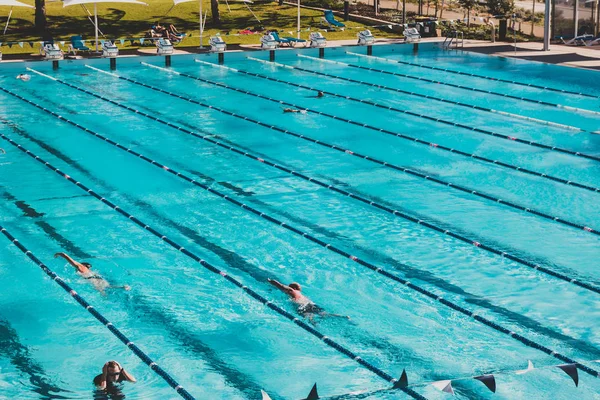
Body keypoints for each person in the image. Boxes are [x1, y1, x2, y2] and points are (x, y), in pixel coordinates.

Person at [267, 278, 349, 325]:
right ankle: (341, 317)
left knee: (309, 319)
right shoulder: (302, 294)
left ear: (293, 287)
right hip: (311, 304)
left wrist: (271, 281)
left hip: (302, 306)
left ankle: (316, 328)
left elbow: (281, 286)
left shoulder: (292, 290)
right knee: (324, 314)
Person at [54, 252, 130, 294]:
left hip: (94, 281)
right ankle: (123, 287)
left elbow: (67, 257)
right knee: (109, 287)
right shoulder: (90, 271)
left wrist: (60, 254)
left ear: (84, 265)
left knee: (102, 293)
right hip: (99, 279)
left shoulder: (81, 267)